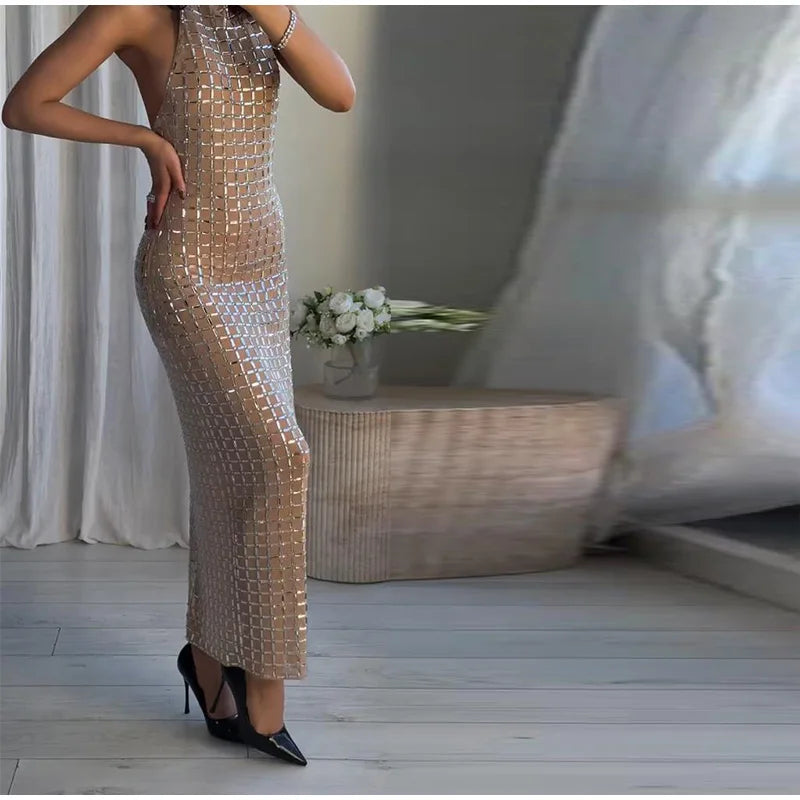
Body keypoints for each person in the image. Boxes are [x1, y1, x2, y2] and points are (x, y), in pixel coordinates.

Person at [2, 4, 355, 766]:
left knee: (234, 473)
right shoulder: (133, 11)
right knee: (281, 456)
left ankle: (208, 658)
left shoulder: (255, 15)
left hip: (261, 263)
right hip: (188, 267)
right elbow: (23, 105)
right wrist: (145, 138)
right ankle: (262, 694)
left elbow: (341, 94)